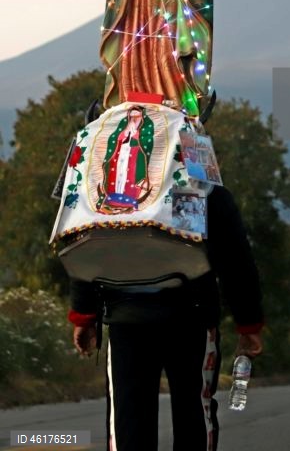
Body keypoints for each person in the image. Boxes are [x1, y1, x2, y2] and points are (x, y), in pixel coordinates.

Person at [68, 184, 263, 451]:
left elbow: (87, 247)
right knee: (194, 415)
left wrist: (84, 314)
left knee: (128, 422)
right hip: (191, 318)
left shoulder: (110, 187)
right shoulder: (199, 188)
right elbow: (236, 259)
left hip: (126, 319)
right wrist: (248, 323)